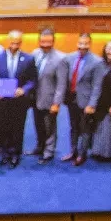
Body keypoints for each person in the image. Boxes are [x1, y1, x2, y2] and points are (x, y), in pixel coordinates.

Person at [0, 31, 38, 169]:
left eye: (18, 43)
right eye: (12, 42)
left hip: (19, 101)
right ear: (8, 41)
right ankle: (4, 154)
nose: (15, 45)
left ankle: (15, 154)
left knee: (17, 128)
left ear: (21, 42)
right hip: (3, 101)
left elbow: (33, 80)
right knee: (3, 127)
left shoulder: (29, 59)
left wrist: (24, 89)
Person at [64, 32, 107, 167]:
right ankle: (73, 151)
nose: (82, 46)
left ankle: (82, 154)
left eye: (86, 43)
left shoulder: (97, 61)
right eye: (80, 43)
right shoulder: (69, 58)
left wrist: (92, 104)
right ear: (77, 43)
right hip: (71, 99)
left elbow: (97, 86)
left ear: (90, 44)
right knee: (73, 127)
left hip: (86, 101)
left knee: (85, 129)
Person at [29, 28, 66, 164]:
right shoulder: (35, 53)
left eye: (48, 42)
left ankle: (49, 152)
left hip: (50, 99)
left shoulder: (61, 58)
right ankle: (40, 147)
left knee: (49, 127)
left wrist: (56, 103)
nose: (45, 44)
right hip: (35, 98)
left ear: (53, 41)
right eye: (43, 41)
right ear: (39, 41)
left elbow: (61, 84)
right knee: (38, 124)